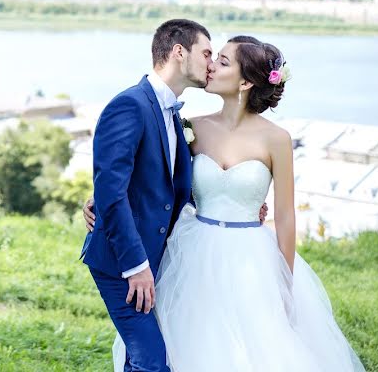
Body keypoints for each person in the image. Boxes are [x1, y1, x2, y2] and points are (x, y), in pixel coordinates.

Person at [83, 35, 366, 372]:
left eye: (223, 61)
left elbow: (286, 216)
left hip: (250, 258)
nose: (211, 65)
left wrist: (285, 285)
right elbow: (156, 180)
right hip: (192, 252)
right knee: (187, 344)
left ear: (245, 82)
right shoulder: (191, 126)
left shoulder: (276, 139)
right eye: (213, 56)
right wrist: (98, 198)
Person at [79, 20, 267, 372]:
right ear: (179, 53)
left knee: (152, 358)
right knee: (152, 362)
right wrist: (135, 267)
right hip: (122, 262)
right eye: (207, 53)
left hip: (161, 259)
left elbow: (173, 189)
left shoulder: (178, 118)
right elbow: (111, 188)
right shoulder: (129, 106)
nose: (211, 64)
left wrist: (237, 200)